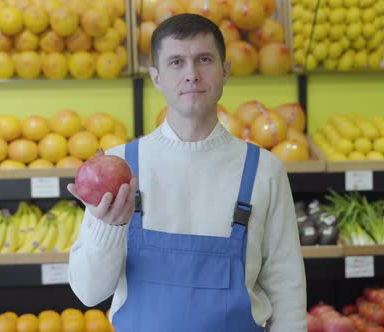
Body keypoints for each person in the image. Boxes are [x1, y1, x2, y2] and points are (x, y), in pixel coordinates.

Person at [67, 13, 307, 332]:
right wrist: (106, 227)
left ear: (225, 71)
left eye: (204, 59)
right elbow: (89, 292)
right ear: (156, 77)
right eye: (176, 62)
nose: (191, 74)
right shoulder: (119, 166)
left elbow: (286, 286)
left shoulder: (264, 170)